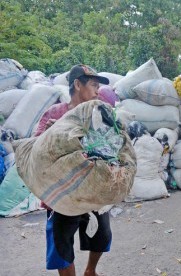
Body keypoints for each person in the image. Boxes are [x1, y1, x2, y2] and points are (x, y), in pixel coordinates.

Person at [35, 65, 111, 276]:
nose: (98, 91)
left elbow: (111, 145)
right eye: (94, 85)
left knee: (102, 235)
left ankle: (90, 271)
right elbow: (35, 147)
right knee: (61, 245)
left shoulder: (99, 113)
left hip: (92, 187)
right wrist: (52, 133)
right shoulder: (55, 113)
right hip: (61, 192)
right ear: (78, 84)